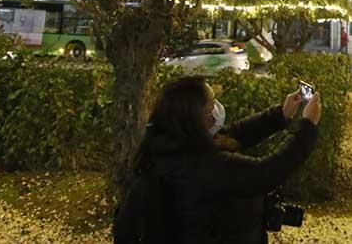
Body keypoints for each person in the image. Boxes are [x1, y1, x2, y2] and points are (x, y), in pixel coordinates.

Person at [113, 75, 321, 243]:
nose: (217, 109)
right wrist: (307, 127)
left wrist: (280, 115)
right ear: (195, 119)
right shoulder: (203, 166)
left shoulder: (168, 145)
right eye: (211, 105)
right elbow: (267, 173)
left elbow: (233, 136)